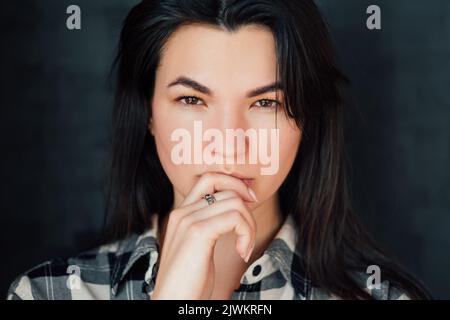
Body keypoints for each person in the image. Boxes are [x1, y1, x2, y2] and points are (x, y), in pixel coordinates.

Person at [7, 0, 430, 300]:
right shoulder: (48, 293)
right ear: (149, 115)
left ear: (307, 121)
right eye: (192, 100)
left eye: (266, 103)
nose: (228, 138)